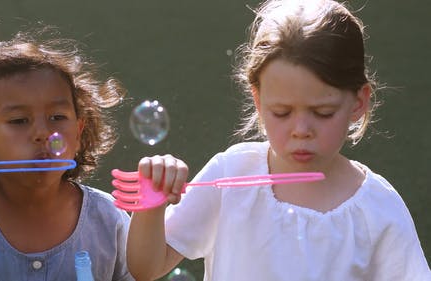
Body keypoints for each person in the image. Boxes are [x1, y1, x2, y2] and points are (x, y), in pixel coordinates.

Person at [125, 0, 431, 280]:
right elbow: (146, 268)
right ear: (258, 100)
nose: (301, 129)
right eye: (282, 112)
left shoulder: (378, 209)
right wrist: (151, 205)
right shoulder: (232, 173)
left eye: (323, 112)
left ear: (359, 102)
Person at [0, 26, 135, 281]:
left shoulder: (108, 218)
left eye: (57, 117)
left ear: (79, 133)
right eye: (19, 120)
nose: (42, 132)